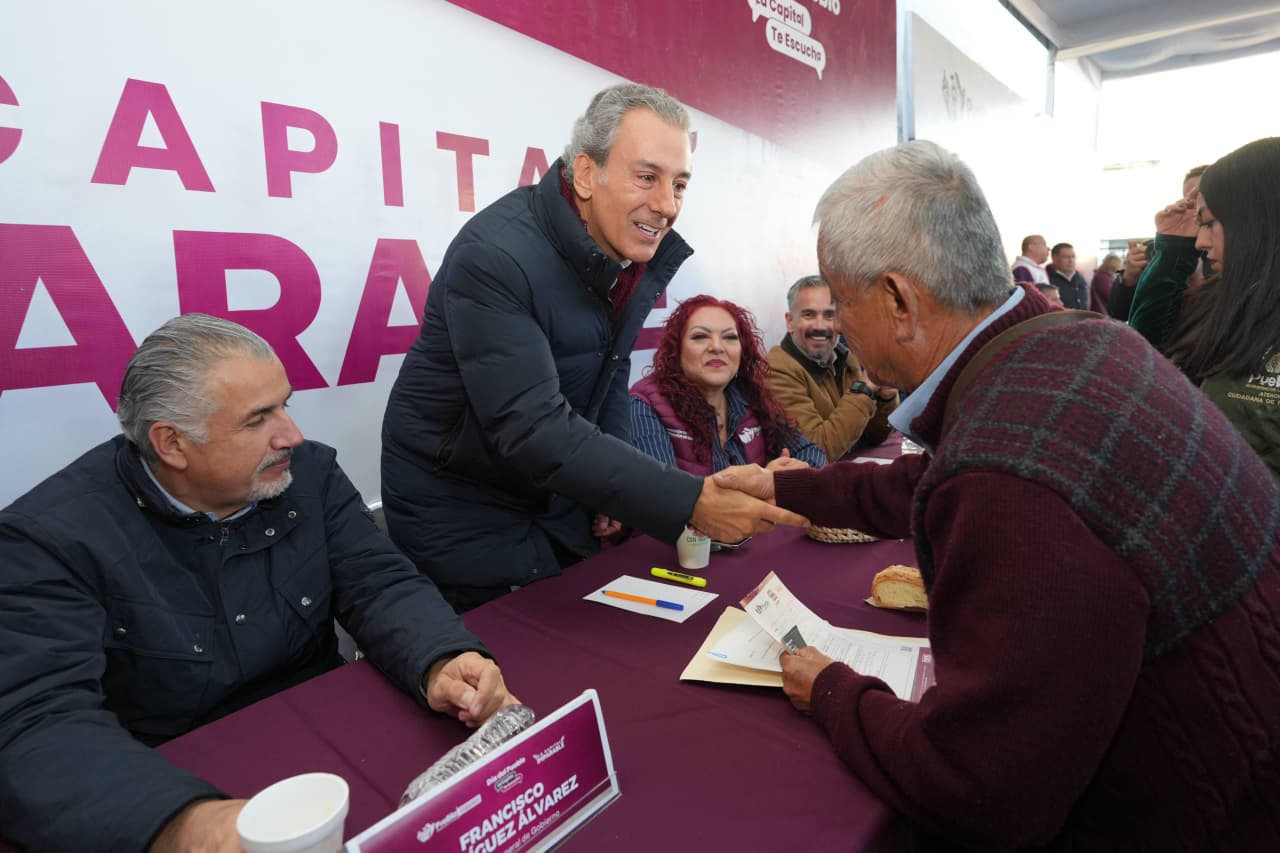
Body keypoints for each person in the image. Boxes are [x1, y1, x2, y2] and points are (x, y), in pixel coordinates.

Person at [715, 140, 1280, 850]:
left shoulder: (1007, 477)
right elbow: (932, 476)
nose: (839, 326)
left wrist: (832, 690)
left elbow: (976, 787)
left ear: (898, 300)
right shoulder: (1075, 343)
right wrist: (785, 485)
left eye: (842, 300)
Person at [0, 314, 518, 852]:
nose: (292, 435)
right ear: (172, 444)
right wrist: (184, 826)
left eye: (284, 405)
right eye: (258, 419)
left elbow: (378, 583)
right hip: (169, 778)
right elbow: (32, 721)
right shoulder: (47, 541)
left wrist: (439, 658)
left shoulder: (309, 474)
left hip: (333, 743)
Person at [380, 83, 802, 611]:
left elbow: (608, 374)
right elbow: (532, 428)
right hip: (460, 515)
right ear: (585, 173)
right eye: (646, 177)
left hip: (549, 495)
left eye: (679, 184)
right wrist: (690, 502)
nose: (667, 205)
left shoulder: (620, 250)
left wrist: (611, 493)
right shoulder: (495, 257)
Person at [1128, 138, 1280, 477]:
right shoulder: (1223, 298)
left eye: (1209, 222)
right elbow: (1146, 355)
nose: (1200, 241)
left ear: (1259, 218)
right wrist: (1173, 252)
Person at [629, 295, 825, 474]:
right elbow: (665, 494)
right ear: (676, 349)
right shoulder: (644, 404)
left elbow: (812, 452)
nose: (717, 347)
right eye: (700, 337)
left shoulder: (751, 394)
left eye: (730, 337)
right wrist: (765, 481)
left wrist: (787, 479)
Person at [765, 275, 897, 460]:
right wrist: (865, 388)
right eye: (809, 315)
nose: (820, 326)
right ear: (790, 322)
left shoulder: (845, 358)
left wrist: (885, 399)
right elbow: (816, 451)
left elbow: (872, 436)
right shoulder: (776, 370)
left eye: (829, 315)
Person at [1109, 165, 1206, 321]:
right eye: (1189, 200)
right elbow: (1119, 313)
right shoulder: (1166, 247)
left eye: (1200, 199)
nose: (1195, 209)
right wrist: (1130, 279)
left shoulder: (1225, 250)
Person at [1045, 242, 1089, 309]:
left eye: (1073, 257)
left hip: (1084, 315)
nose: (1071, 260)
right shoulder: (1047, 278)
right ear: (1054, 259)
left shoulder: (1079, 277)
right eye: (1066, 257)